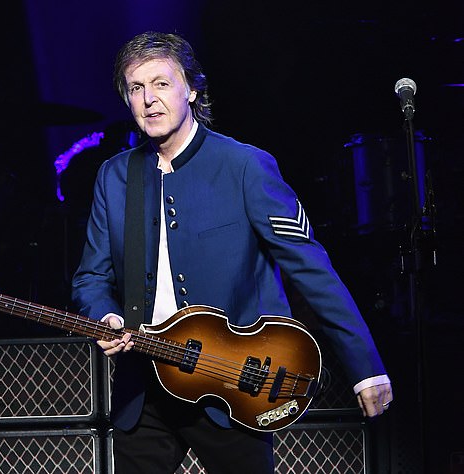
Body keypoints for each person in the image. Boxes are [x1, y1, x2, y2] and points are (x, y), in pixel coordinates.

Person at [72, 31, 393, 473]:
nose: (148, 99)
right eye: (136, 88)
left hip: (231, 386)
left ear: (192, 89)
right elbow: (90, 278)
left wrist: (366, 365)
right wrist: (104, 315)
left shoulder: (245, 166)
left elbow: (312, 271)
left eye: (162, 84)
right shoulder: (114, 177)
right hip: (144, 391)